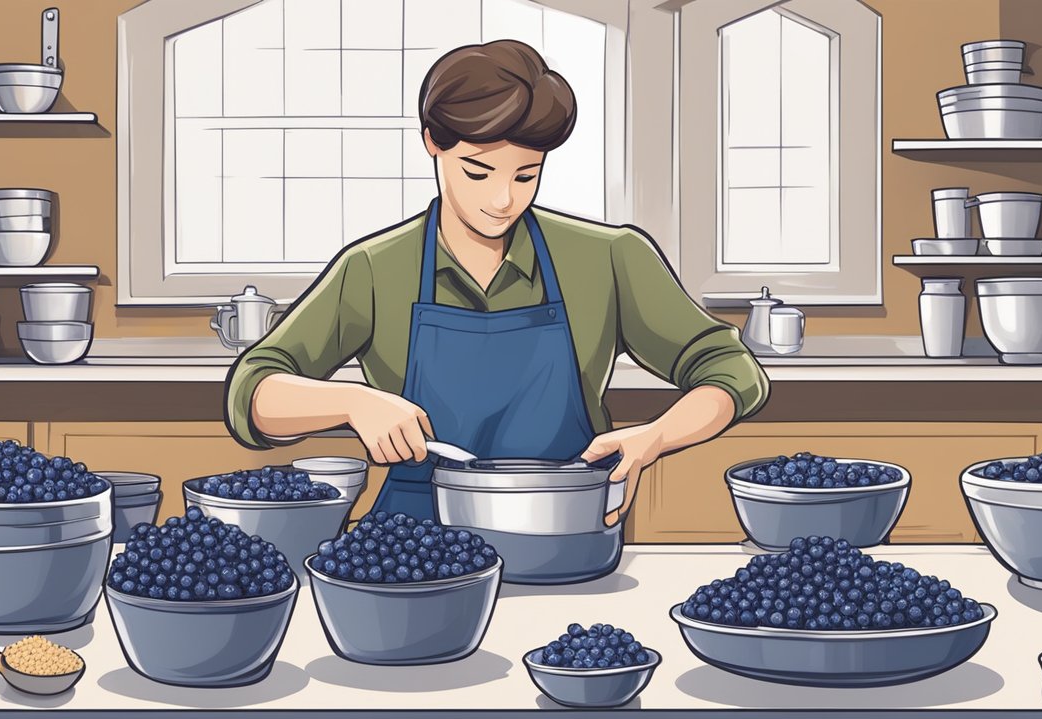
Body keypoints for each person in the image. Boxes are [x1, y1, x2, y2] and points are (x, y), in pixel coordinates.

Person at [226, 40, 768, 525]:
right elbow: (253, 392)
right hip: (415, 551)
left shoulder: (607, 258)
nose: (502, 199)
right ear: (432, 144)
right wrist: (353, 404)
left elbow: (731, 371)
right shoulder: (374, 268)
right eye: (478, 172)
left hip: (563, 530)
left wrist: (656, 437)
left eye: (525, 175)